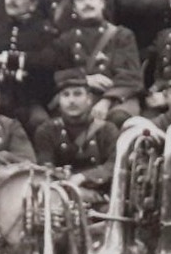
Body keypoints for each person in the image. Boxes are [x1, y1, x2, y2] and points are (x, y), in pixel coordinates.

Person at [57, 0, 145, 126]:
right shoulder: (67, 39)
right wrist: (85, 79)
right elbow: (57, 73)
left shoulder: (122, 35)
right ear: (74, 9)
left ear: (102, 3)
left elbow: (131, 77)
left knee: (118, 117)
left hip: (119, 97)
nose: (87, 3)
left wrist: (107, 100)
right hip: (80, 96)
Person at [0, 0, 62, 131]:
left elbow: (47, 61)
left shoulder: (44, 32)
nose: (12, 0)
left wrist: (7, 59)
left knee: (40, 121)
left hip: (31, 98)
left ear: (33, 4)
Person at [32, 69, 118, 203]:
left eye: (77, 94)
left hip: (100, 201)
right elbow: (45, 168)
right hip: (60, 198)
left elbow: (113, 166)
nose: (71, 100)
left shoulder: (107, 130)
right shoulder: (47, 131)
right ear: (59, 100)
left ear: (89, 99)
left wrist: (84, 177)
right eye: (66, 95)